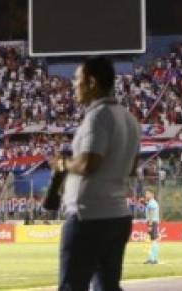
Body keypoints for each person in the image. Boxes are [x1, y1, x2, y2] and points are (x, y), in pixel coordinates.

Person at [54, 56, 141, 291]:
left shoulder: (97, 116)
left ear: (91, 82)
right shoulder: (129, 118)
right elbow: (132, 167)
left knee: (73, 286)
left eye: (77, 80)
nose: (74, 85)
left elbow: (88, 164)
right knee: (107, 286)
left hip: (89, 217)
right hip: (118, 214)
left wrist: (63, 164)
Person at [144, 190, 160, 264]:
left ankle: (154, 259)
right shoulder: (151, 203)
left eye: (147, 194)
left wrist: (150, 225)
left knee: (154, 240)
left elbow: (151, 214)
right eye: (146, 194)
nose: (146, 195)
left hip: (152, 222)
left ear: (152, 195)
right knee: (152, 240)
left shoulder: (152, 203)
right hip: (153, 222)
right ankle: (151, 258)